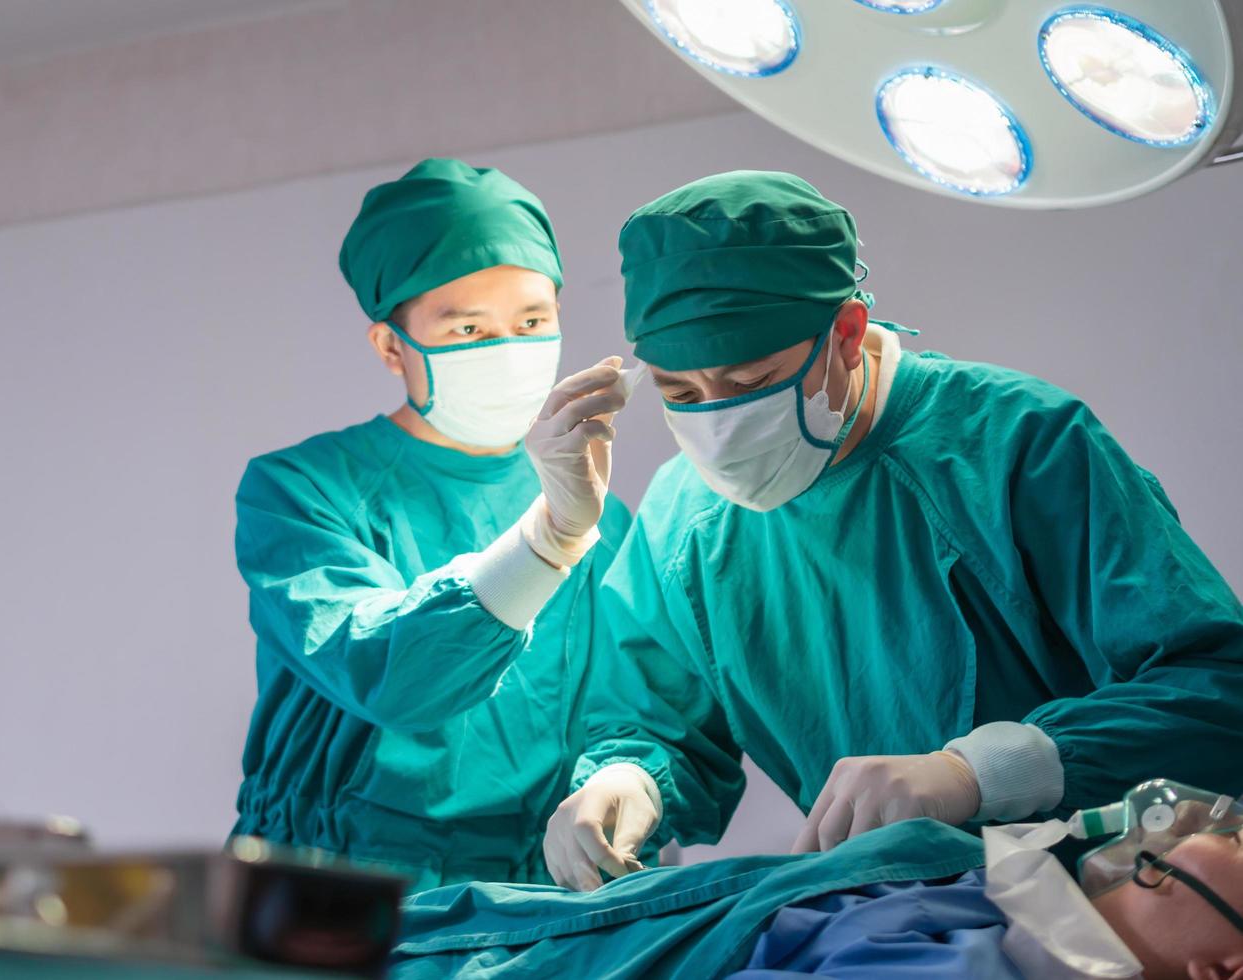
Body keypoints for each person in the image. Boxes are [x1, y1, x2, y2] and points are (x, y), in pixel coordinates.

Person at [542, 170, 1243, 892]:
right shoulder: (684, 522)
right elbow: (658, 722)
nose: (718, 425)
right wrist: (626, 782)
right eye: (680, 393)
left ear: (845, 333)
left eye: (752, 383)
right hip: (900, 919)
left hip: (1118, 897)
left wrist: (981, 772)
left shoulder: (1014, 445)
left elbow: (1217, 687)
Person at [231, 158, 631, 889]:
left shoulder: (601, 511)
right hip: (339, 893)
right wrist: (548, 541)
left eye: (532, 321)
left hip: (540, 898)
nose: (509, 348)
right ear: (392, 347)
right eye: (470, 327)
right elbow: (395, 676)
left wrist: (621, 787)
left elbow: (631, 705)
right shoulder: (301, 492)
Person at [396, 779, 1243, 979]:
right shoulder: (1005, 894)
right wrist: (631, 770)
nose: (1216, 817)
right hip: (486, 927)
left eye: (1240, 849)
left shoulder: (983, 962)